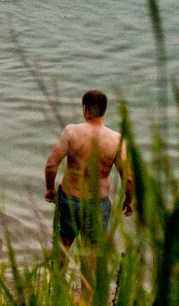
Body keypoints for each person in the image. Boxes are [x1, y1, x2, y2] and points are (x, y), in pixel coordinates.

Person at [44, 89, 134, 255]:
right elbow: (128, 178)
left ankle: (56, 281)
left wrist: (50, 189)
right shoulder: (116, 139)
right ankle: (87, 282)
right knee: (91, 254)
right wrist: (128, 200)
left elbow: (51, 164)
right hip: (97, 204)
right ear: (104, 110)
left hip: (69, 200)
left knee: (62, 248)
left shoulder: (71, 132)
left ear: (84, 108)